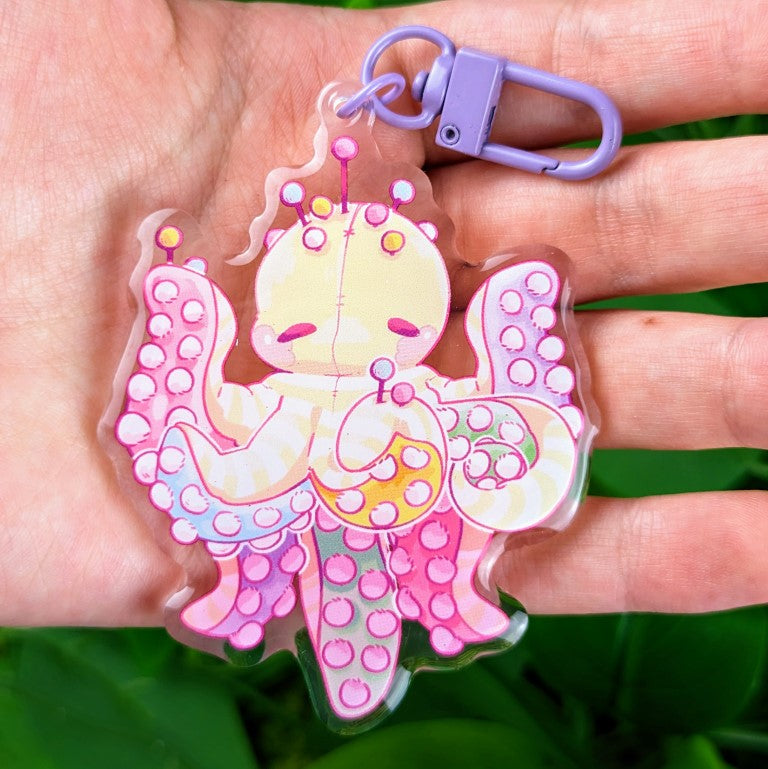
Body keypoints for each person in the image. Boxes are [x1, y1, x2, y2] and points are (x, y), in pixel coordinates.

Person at [2, 0, 766, 627]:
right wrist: (191, 338)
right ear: (266, 333)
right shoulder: (287, 396)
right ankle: (265, 596)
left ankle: (434, 597)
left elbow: (491, 431)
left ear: (420, 331)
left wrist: (508, 341)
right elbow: (217, 426)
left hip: (409, 487)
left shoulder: (419, 395)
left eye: (404, 326)